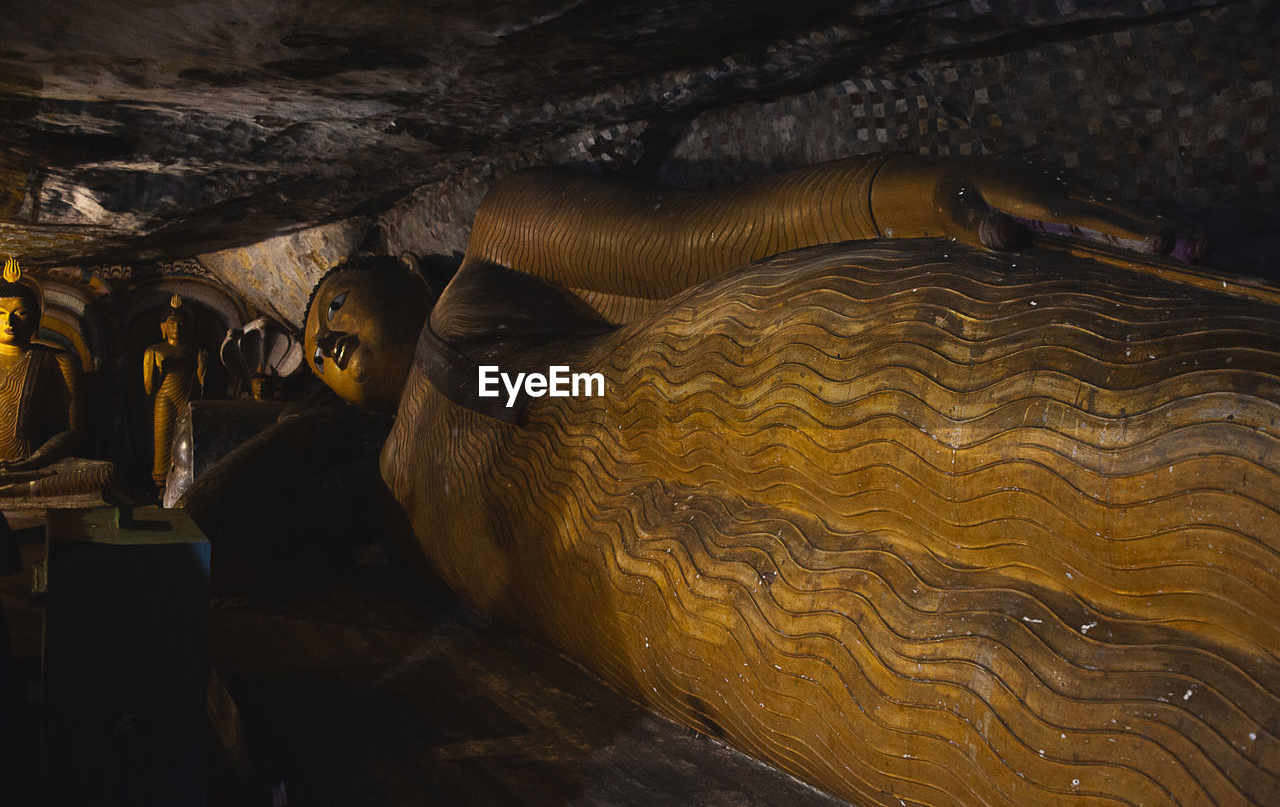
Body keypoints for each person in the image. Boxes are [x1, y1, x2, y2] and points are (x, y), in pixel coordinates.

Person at [303, 156, 1278, 805]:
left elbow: (698, 238)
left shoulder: (494, 251)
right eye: (316, 349)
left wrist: (920, 193)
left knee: (1142, 446)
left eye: (330, 301)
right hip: (715, 623)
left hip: (731, 380)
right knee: (1104, 718)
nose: (331, 334)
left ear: (391, 268)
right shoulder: (397, 513)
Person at [0, 258, 112, 503]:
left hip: (35, 469)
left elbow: (74, 431)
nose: (9, 322)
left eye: (20, 313)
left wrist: (33, 461)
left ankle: (16, 486)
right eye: (1, 313)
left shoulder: (57, 360)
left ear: (36, 318)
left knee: (103, 474)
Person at [143, 295, 208, 492]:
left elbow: (201, 385)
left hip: (187, 398)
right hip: (164, 399)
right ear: (164, 327)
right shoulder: (154, 351)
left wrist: (203, 365)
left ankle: (183, 481)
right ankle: (161, 483)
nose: (177, 329)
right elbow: (149, 389)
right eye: (172, 324)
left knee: (185, 441)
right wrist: (159, 369)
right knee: (163, 440)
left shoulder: (196, 350)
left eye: (181, 324)